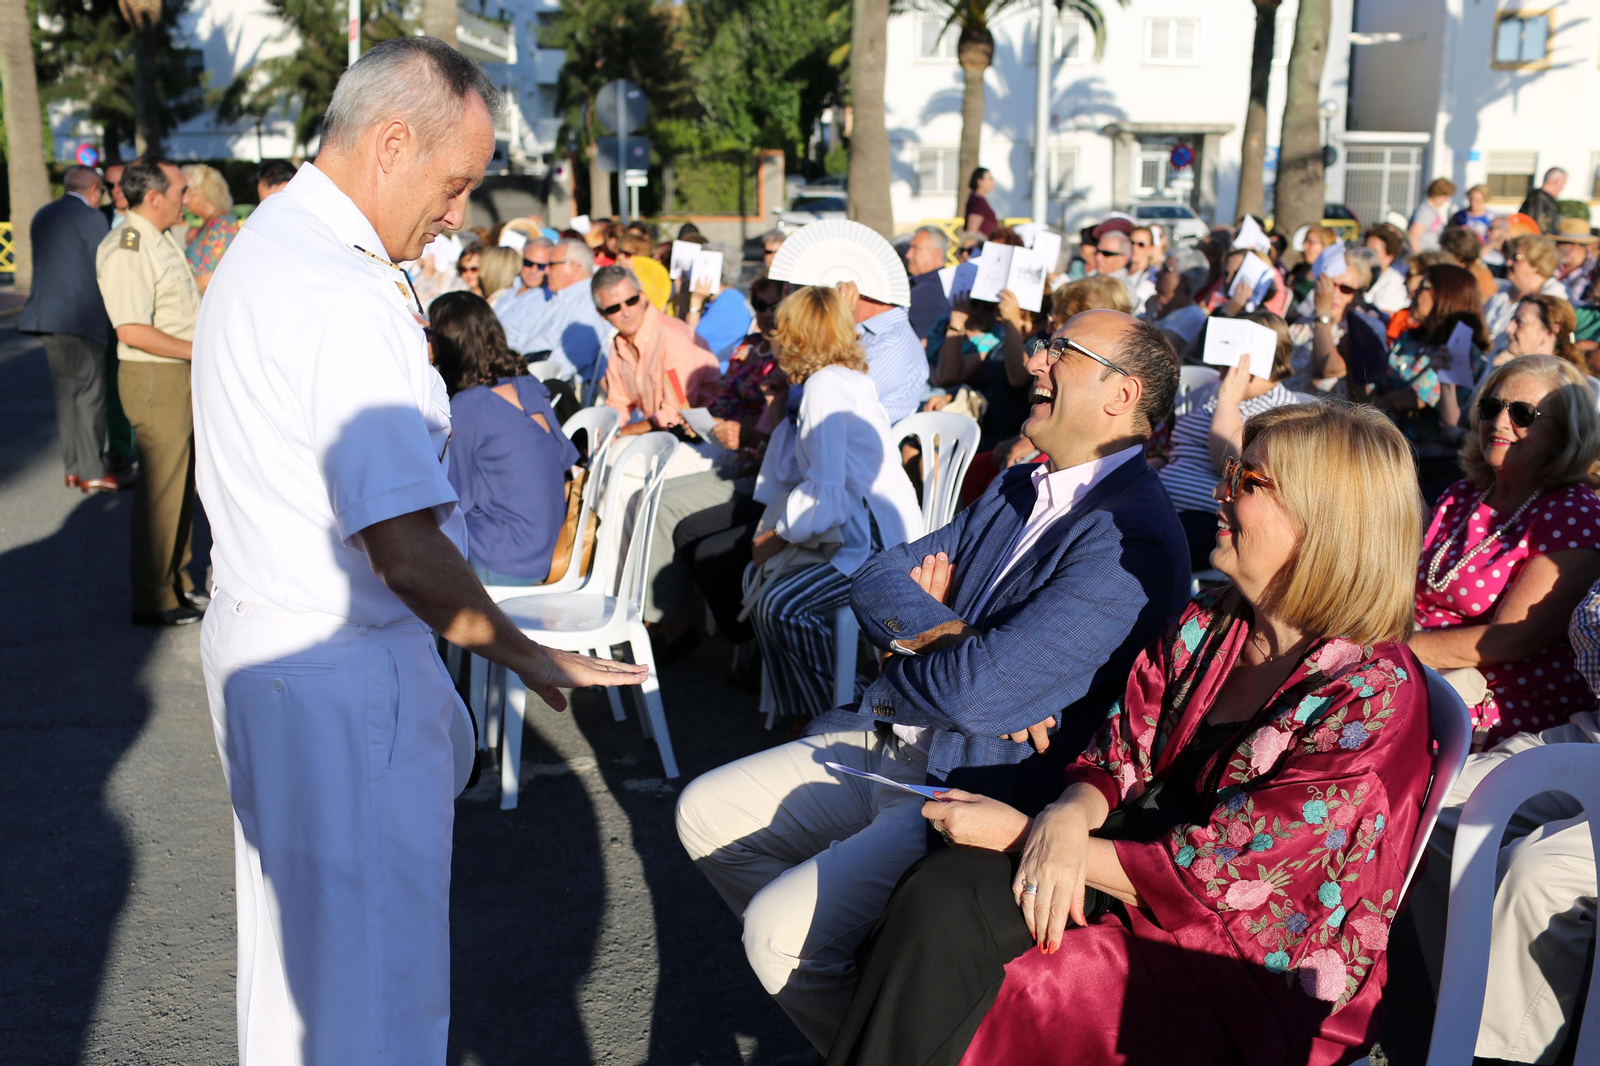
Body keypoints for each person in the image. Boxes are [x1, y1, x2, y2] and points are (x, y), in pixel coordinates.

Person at [189, 38, 646, 1065]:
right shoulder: (345, 293)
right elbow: (401, 542)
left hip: (269, 647)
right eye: (455, 185)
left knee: (296, 979)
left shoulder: (268, 246)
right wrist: (524, 652)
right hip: (345, 669)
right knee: (376, 997)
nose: (457, 215)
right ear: (393, 141)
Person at [827, 402, 1432, 1066]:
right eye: (1231, 474)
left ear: (1325, 524)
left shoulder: (1372, 695)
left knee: (1008, 964)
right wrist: (1066, 816)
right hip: (1135, 869)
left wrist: (1031, 835)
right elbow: (1123, 747)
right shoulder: (1217, 620)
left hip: (1242, 965)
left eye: (1248, 483)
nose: (1218, 494)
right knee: (941, 893)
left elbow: (1239, 886)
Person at [676, 308, 1189, 1055]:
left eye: (1060, 352)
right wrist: (957, 636)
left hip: (976, 779)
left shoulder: (1128, 534)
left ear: (1122, 394)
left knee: (776, 935)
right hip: (907, 742)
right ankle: (886, 1028)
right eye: (1043, 345)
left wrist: (921, 658)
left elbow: (979, 696)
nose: (1035, 364)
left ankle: (889, 1034)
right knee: (702, 814)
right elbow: (877, 575)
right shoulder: (1024, 483)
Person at [1410, 577, 1600, 1065]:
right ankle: (1461, 1006)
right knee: (1444, 808)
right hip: (1592, 731)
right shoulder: (1460, 502)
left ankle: (1501, 1055)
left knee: (1538, 874)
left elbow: (1515, 638)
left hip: (1527, 701)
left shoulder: (1570, 518)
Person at [745, 285, 925, 717]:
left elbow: (825, 492)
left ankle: (854, 708)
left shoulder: (825, 386)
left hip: (873, 547)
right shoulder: (843, 380)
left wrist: (779, 536)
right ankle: (817, 712)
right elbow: (804, 475)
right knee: (774, 599)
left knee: (781, 606)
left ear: (797, 336)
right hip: (877, 533)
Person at [1410, 354, 1600, 746]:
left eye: (1523, 414)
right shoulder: (1465, 493)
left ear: (1565, 434)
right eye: (1491, 407)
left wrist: (1381, 649)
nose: (1499, 422)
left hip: (1501, 709)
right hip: (1424, 671)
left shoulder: (1574, 514)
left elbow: (1508, 641)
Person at [95, 156, 204, 627]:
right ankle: (154, 595)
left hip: (173, 373)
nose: (187, 195)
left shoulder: (154, 238)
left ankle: (175, 583)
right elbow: (132, 330)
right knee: (162, 489)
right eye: (180, 189)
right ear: (154, 197)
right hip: (156, 376)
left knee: (177, 487)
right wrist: (200, 351)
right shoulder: (129, 244)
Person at [431, 291, 579, 586]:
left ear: (447, 344)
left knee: (414, 535)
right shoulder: (528, 384)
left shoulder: (469, 407)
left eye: (428, 333)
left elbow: (451, 499)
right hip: (549, 543)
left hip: (505, 557)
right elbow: (565, 457)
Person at [1159, 310, 1300, 568]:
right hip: (1166, 505)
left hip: (1209, 519)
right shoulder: (1221, 394)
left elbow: (1230, 465)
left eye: (1228, 364)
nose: (1221, 373)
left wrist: (1228, 401)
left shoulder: (1279, 412)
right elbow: (1183, 450)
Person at [18, 164, 118, 493]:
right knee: (90, 394)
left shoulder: (43, 215)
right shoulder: (92, 218)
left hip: (46, 317)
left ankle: (73, 467)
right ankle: (92, 470)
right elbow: (103, 262)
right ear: (93, 190)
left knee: (66, 395)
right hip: (81, 319)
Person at [1367, 263, 1487, 496]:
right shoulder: (1409, 340)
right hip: (1385, 451)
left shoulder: (1462, 348)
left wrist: (1377, 403)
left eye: (1423, 288)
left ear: (1446, 296)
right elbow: (1377, 386)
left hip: (1431, 468)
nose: (1413, 293)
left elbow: (1414, 399)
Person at [595, 265, 721, 435]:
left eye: (631, 301)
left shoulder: (672, 338)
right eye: (614, 308)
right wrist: (603, 435)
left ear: (642, 296)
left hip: (702, 434)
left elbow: (675, 413)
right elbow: (618, 402)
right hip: (662, 433)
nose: (626, 312)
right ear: (602, 314)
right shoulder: (619, 345)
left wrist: (619, 433)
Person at [1284, 256, 1388, 395]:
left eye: (1345, 289)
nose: (1333, 294)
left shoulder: (1368, 328)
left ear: (1359, 296)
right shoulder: (1304, 323)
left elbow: (1325, 369)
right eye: (1330, 285)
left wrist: (1323, 316)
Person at [520, 237, 610, 389]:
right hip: (530, 374)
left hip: (551, 387)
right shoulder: (561, 297)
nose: (546, 271)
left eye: (552, 264)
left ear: (574, 266)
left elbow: (568, 361)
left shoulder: (588, 301)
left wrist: (523, 384)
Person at [1485, 234, 1567, 353]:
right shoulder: (1502, 291)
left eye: (1516, 257)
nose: (1508, 262)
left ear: (1536, 265)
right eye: (1509, 256)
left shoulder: (1553, 297)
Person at [685, 246, 754, 361]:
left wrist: (695, 302)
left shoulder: (727, 302)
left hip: (716, 373)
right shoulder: (722, 299)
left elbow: (690, 341)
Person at [181, 163, 241, 294]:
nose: (183, 199)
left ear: (199, 193)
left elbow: (204, 282)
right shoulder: (208, 225)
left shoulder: (223, 226)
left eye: (186, 192)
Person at [1140, 246, 1209, 355]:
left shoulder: (1192, 315)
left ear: (1184, 280)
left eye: (1165, 270)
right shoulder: (1156, 305)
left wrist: (1148, 315)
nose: (1157, 274)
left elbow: (1158, 352)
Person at [493, 236, 553, 352]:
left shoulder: (544, 300)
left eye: (541, 266)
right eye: (528, 263)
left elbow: (522, 347)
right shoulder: (512, 287)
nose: (533, 270)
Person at [1494, 293, 1580, 370]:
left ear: (1550, 332)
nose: (1509, 329)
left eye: (1520, 321)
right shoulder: (1504, 362)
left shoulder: (1559, 384)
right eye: (1512, 320)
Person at [906, 225, 952, 339]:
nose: (908, 255)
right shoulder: (915, 284)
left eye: (915, 248)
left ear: (937, 253)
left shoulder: (931, 290)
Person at [1439, 223, 1498, 302]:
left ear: (1457, 254)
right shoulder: (1460, 271)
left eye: (1444, 250)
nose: (1440, 254)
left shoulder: (1474, 275)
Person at [616, 230, 671, 310]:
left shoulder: (654, 283)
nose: (620, 257)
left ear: (639, 257)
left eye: (626, 254)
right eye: (620, 252)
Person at [1551, 218, 1597, 305]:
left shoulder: (1594, 272)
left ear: (1572, 246)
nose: (1555, 247)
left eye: (1559, 243)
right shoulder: (1553, 267)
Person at [1409, 176, 1456, 253]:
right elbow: (1413, 235)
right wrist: (1418, 258)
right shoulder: (1425, 211)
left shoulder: (1431, 211)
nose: (1447, 200)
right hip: (1424, 258)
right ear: (1438, 193)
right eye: (1446, 196)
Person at [1518, 167, 1567, 238]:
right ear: (1557, 182)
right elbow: (1535, 230)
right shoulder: (1538, 200)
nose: (1563, 188)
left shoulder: (1545, 200)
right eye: (1563, 183)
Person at [964, 167, 999, 237]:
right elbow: (972, 232)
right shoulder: (977, 201)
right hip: (981, 245)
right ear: (980, 181)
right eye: (990, 179)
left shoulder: (980, 199)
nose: (993, 182)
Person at [102, 162, 129, 229]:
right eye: (110, 185)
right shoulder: (100, 216)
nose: (115, 190)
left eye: (121, 183)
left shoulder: (150, 215)